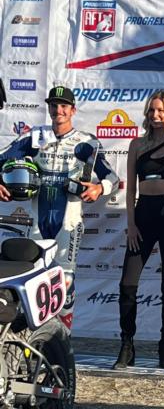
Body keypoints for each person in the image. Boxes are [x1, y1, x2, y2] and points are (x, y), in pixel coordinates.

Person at [0, 85, 119, 331]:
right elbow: (2, 159)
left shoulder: (86, 142)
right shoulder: (34, 136)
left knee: (65, 280)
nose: (58, 110)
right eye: (54, 105)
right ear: (49, 108)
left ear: (73, 110)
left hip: (69, 222)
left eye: (63, 106)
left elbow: (112, 176)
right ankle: (31, 338)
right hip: (35, 220)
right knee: (30, 278)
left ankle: (62, 338)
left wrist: (99, 189)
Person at [113, 90, 164, 370]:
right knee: (127, 284)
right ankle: (127, 344)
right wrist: (131, 224)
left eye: (160, 111)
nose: (155, 116)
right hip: (144, 215)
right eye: (151, 111)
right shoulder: (136, 145)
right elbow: (131, 189)